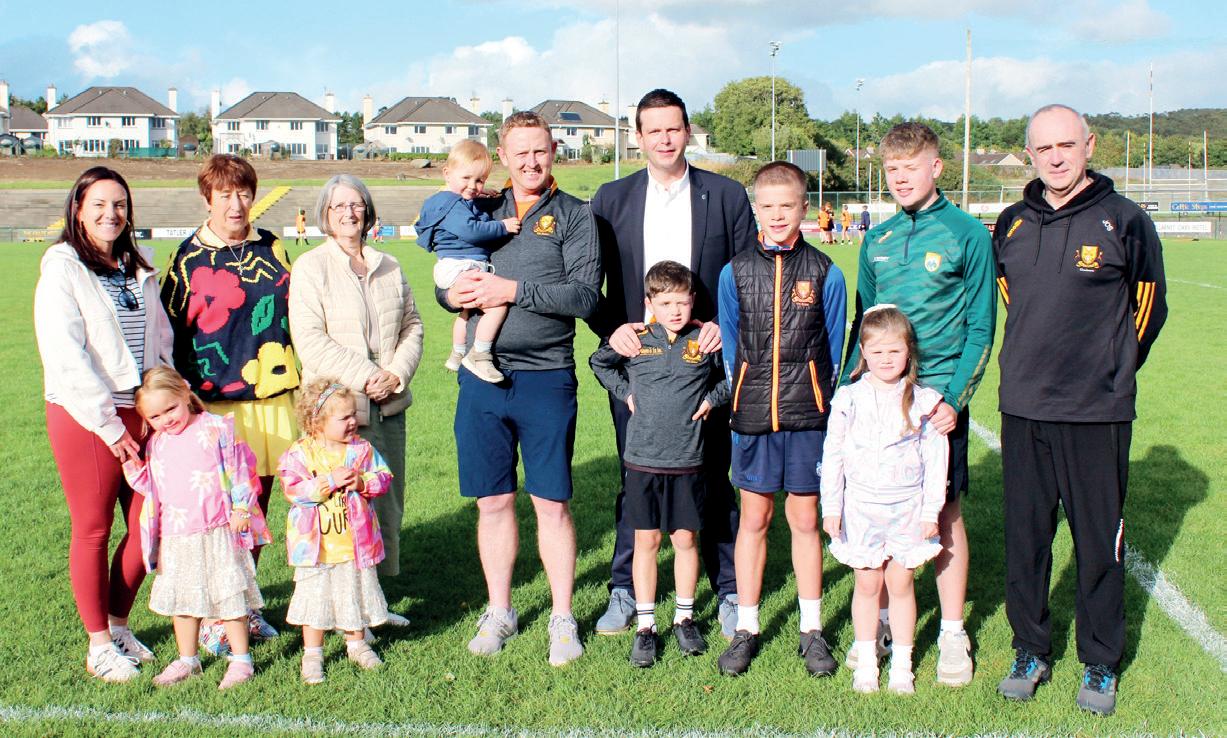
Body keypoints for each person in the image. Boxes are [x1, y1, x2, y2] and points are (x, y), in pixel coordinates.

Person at [993, 104, 1167, 716]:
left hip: (1096, 411)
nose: (1056, 158)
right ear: (1030, 154)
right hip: (1024, 407)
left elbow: (1148, 306)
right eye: (1044, 149)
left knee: (1098, 542)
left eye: (1066, 145)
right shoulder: (1011, 222)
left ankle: (1099, 658)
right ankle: (1029, 649)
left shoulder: (1126, 220)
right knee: (1026, 539)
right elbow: (1013, 298)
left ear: (1089, 145)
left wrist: (1111, 370)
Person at [588, 88, 756, 639]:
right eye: (653, 130)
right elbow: (591, 284)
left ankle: (727, 589)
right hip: (641, 370)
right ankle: (624, 589)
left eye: (673, 128)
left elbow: (744, 276)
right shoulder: (611, 199)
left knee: (713, 476)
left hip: (702, 367)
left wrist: (724, 326)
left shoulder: (725, 195)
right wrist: (611, 330)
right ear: (638, 137)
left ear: (688, 131)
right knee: (634, 476)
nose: (664, 139)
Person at [438, 111, 600, 666]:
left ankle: (562, 616)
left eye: (540, 151)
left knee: (550, 502)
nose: (531, 162)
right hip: (480, 378)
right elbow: (448, 273)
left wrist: (511, 289)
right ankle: (500, 610)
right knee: (493, 500)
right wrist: (451, 295)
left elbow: (584, 297)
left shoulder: (576, 215)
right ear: (503, 156)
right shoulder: (479, 207)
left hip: (546, 376)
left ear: (554, 152)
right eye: (520, 153)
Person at [841, 121, 996, 687]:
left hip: (935, 405)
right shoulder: (877, 239)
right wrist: (848, 392)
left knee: (942, 511)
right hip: (879, 402)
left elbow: (982, 326)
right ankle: (881, 622)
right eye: (892, 169)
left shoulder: (967, 234)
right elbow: (862, 324)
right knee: (875, 505)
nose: (901, 178)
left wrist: (954, 398)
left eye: (911, 167)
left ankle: (952, 632)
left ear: (936, 167)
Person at [34, 166, 173, 682]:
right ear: (78, 209)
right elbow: (65, 356)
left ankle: (119, 625)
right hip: (87, 416)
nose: (110, 214)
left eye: (119, 205)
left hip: (144, 411)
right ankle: (98, 645)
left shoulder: (137, 264)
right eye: (98, 204)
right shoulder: (63, 267)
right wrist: (110, 426)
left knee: (149, 523)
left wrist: (165, 401)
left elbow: (160, 339)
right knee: (94, 528)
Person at [715, 161, 847, 677]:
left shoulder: (825, 272)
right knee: (754, 519)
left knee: (805, 521)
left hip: (807, 417)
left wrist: (821, 400)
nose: (776, 215)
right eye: (767, 206)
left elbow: (833, 348)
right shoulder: (734, 272)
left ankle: (811, 629)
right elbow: (731, 345)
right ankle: (747, 627)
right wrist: (742, 393)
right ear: (756, 209)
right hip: (752, 416)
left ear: (804, 209)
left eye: (786, 206)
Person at [161, 154, 299, 645]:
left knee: (255, 509)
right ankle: (214, 614)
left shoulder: (273, 247)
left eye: (243, 193)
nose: (236, 204)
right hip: (216, 404)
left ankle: (245, 604)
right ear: (208, 199)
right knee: (220, 515)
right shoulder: (187, 259)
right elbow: (170, 333)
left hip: (274, 397)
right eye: (225, 195)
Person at [589, 261, 730, 667]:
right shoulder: (637, 340)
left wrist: (712, 400)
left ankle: (685, 618)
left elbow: (734, 375)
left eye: (682, 302)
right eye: (665, 303)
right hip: (643, 461)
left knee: (685, 540)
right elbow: (599, 363)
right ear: (649, 304)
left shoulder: (703, 341)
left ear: (693, 301)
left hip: (687, 460)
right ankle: (646, 625)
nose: (675, 310)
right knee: (647, 542)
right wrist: (625, 393)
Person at [289, 174, 423, 589]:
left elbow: (412, 326)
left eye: (356, 204)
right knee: (337, 509)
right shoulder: (311, 267)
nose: (349, 213)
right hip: (338, 412)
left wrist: (395, 375)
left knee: (385, 501)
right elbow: (310, 340)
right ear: (325, 215)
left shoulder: (390, 265)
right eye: (339, 206)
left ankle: (374, 596)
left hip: (388, 406)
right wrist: (368, 378)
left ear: (367, 211)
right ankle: (333, 600)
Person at [821, 306, 948, 695]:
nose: (886, 359)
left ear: (908, 352)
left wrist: (931, 511)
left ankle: (902, 666)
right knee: (867, 582)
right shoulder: (849, 398)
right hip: (861, 509)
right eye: (877, 352)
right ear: (863, 353)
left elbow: (936, 459)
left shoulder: (923, 401)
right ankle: (866, 662)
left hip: (907, 509)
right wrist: (832, 506)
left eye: (894, 351)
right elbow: (834, 454)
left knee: (901, 582)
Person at [121, 367, 271, 689]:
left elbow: (239, 468)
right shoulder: (157, 443)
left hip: (217, 530)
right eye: (155, 416)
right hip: (177, 535)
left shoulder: (215, 428)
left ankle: (241, 660)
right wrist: (130, 463)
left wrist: (241, 507)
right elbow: (152, 485)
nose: (166, 420)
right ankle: (188, 660)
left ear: (184, 394)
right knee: (183, 601)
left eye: (170, 409)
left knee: (228, 596)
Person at [278, 379, 393, 684]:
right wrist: (327, 482)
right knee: (315, 600)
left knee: (353, 592)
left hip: (354, 545)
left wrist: (362, 482)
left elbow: (384, 477)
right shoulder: (300, 454)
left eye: (354, 414)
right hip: (317, 550)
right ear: (316, 421)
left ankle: (357, 644)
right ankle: (313, 653)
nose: (353, 421)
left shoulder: (361, 450)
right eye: (344, 417)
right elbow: (293, 490)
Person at [416, 140, 521, 382]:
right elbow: (472, 230)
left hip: (453, 265)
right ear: (447, 173)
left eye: (479, 180)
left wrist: (481, 194)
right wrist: (502, 226)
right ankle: (480, 354)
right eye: (466, 178)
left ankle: (457, 353)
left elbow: (467, 204)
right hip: (461, 265)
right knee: (497, 305)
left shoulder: (447, 200)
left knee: (466, 311)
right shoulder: (452, 204)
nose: (473, 186)